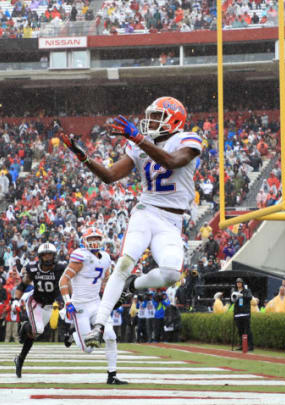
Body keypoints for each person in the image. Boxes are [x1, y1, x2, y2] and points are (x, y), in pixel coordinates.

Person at [60, 97, 201, 347]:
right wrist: (82, 156)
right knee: (125, 261)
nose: (151, 121)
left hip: (172, 221)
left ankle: (133, 285)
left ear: (174, 119)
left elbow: (171, 162)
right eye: (152, 116)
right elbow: (110, 176)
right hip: (146, 211)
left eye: (158, 116)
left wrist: (139, 139)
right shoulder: (139, 146)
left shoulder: (187, 139)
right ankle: (99, 325)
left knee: (170, 274)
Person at [59, 227, 128, 385]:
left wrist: (113, 296)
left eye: (97, 238)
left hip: (97, 303)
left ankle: (112, 375)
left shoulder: (105, 258)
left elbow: (106, 281)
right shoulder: (80, 256)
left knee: (110, 336)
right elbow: (63, 280)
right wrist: (67, 301)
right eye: (91, 239)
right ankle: (73, 335)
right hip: (80, 306)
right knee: (88, 349)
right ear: (84, 241)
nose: (94, 242)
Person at [14, 243, 66, 378]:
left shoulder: (60, 268)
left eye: (50, 254)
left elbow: (67, 285)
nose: (48, 257)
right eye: (45, 255)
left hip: (49, 306)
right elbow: (22, 285)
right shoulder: (33, 269)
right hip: (35, 302)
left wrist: (62, 300)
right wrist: (15, 300)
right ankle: (24, 326)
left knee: (34, 334)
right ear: (40, 256)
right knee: (37, 330)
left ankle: (20, 359)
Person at [231, 278, 254, 351]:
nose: (238, 284)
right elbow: (232, 301)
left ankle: (250, 346)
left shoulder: (247, 291)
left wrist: (241, 295)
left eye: (240, 282)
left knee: (247, 330)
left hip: (245, 313)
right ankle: (242, 345)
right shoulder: (234, 291)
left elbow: (250, 297)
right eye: (237, 282)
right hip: (238, 313)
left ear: (242, 283)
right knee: (240, 331)